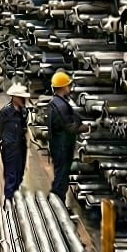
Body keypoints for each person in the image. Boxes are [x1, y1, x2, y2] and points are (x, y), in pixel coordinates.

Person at [47, 70, 87, 199]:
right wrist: (88, 128)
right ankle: (56, 203)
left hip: (57, 144)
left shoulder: (55, 102)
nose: (70, 88)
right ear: (63, 87)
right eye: (68, 85)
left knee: (60, 175)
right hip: (62, 147)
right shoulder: (61, 106)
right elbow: (70, 128)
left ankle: (57, 202)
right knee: (61, 178)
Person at [0, 84, 31, 200]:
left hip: (21, 147)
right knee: (11, 176)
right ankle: (8, 203)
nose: (23, 100)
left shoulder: (24, 111)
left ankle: (15, 198)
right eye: (21, 98)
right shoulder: (5, 112)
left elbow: (24, 127)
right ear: (14, 97)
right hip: (10, 149)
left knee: (19, 175)